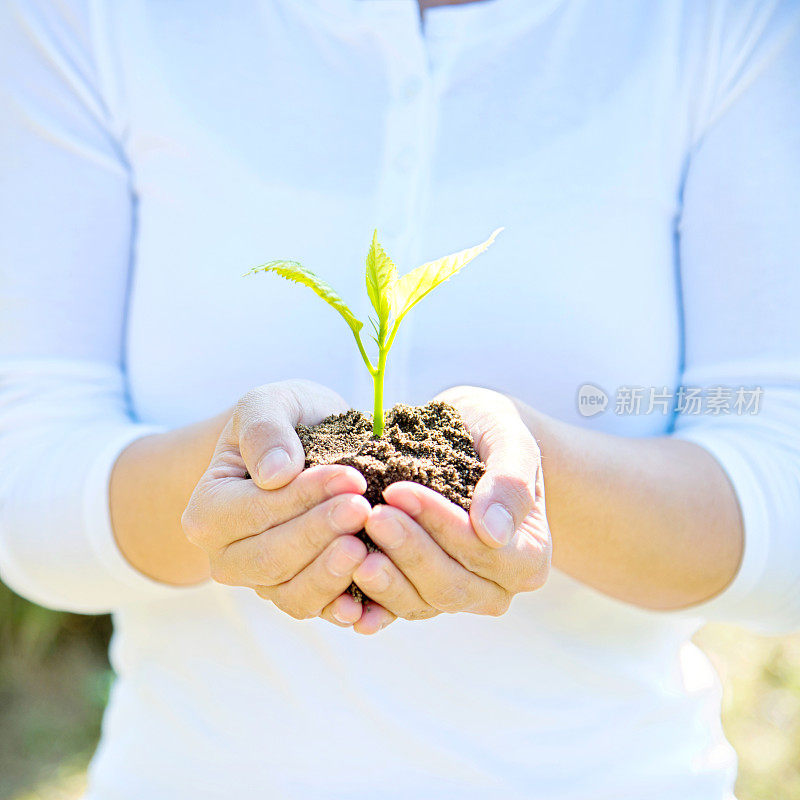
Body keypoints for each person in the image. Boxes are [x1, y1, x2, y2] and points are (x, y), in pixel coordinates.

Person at [1, 0, 799, 797]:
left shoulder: (729, 23)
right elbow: (30, 471)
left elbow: (783, 501)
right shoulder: (88, 19)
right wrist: (242, 483)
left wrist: (526, 478)